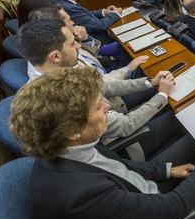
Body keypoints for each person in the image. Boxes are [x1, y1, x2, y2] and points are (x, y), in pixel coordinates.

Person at [9, 67, 195, 219]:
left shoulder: (70, 145)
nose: (108, 106)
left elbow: (120, 166)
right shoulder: (80, 195)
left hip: (136, 190)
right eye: (99, 107)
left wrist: (167, 170)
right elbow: (173, 207)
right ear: (74, 130)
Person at [16, 19, 181, 160]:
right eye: (73, 44)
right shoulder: (62, 96)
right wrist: (161, 95)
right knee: (181, 119)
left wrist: (150, 83)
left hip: (118, 120)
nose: (79, 47)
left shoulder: (58, 76)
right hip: (126, 148)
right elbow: (126, 125)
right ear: (56, 56)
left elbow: (105, 86)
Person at [47, 0, 122, 44]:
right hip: (99, 43)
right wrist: (116, 14)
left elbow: (84, 16)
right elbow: (98, 26)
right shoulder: (68, 7)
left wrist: (104, 12)